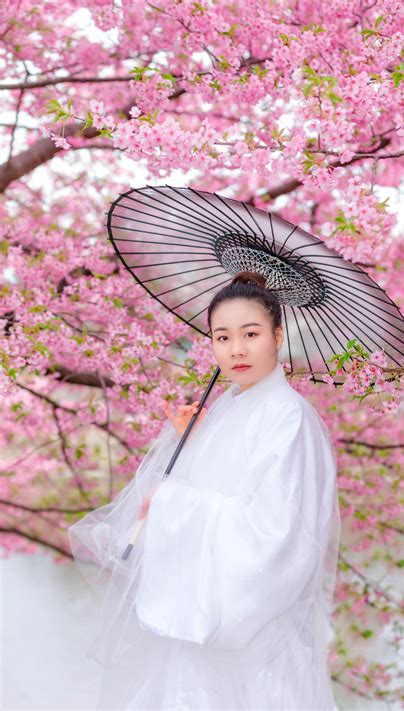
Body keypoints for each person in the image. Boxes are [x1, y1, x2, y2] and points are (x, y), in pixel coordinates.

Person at [68, 270, 341, 710]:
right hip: (196, 628)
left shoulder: (289, 417)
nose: (236, 349)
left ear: (277, 334)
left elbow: (277, 533)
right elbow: (215, 490)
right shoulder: (227, 408)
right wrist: (187, 446)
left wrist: (175, 504)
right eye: (222, 336)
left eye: (250, 333)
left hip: (253, 640)